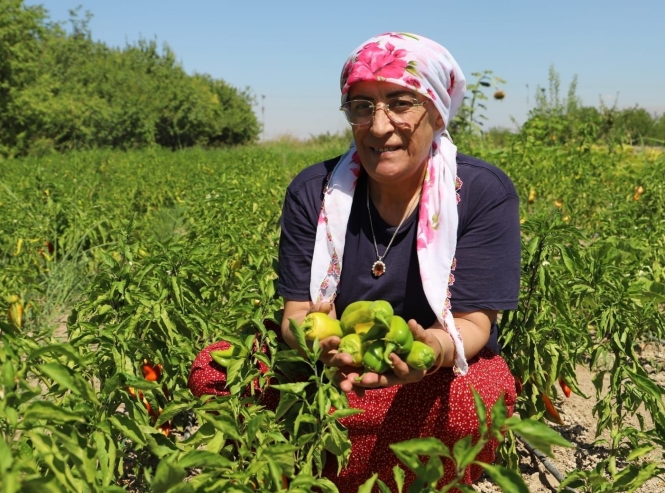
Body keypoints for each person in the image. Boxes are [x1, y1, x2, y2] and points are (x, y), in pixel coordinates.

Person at [189, 32, 520, 492]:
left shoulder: (481, 193)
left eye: (401, 103)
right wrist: (314, 344)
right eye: (361, 106)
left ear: (438, 111)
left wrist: (432, 351)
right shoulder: (314, 190)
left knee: (472, 399)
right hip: (330, 365)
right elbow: (297, 314)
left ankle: (376, 472)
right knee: (215, 368)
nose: (379, 126)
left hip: (428, 371)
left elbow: (472, 325)